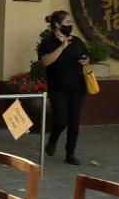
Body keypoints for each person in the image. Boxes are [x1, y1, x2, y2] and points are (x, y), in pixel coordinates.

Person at [37, 10, 90, 165]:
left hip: (77, 86)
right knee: (61, 120)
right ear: (58, 25)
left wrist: (85, 61)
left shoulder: (76, 41)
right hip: (57, 86)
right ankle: (53, 139)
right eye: (67, 23)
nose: (70, 26)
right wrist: (61, 47)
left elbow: (86, 56)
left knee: (74, 121)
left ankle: (70, 153)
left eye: (70, 23)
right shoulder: (48, 42)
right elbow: (46, 61)